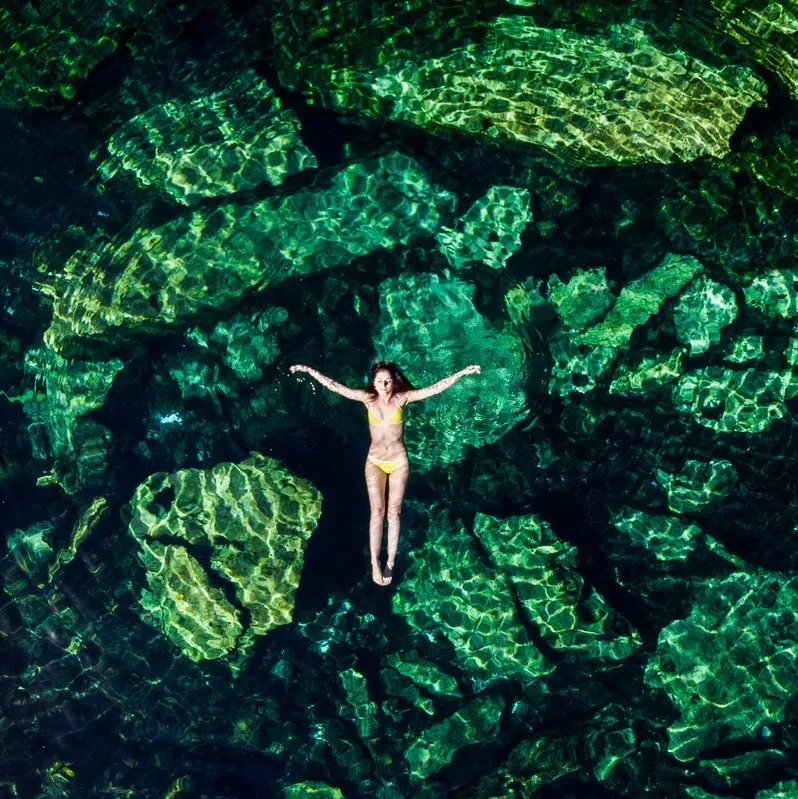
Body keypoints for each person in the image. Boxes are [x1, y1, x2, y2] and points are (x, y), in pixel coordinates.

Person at [289, 361, 482, 586]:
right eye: (380, 381)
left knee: (395, 512)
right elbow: (335, 386)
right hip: (375, 462)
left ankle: (390, 561)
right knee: (377, 511)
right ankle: (374, 562)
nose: (384, 385)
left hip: (398, 462)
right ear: (373, 382)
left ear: (394, 381)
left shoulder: (403, 399)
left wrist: (462, 372)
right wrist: (309, 370)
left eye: (388, 381)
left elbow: (434, 388)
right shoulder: (367, 399)